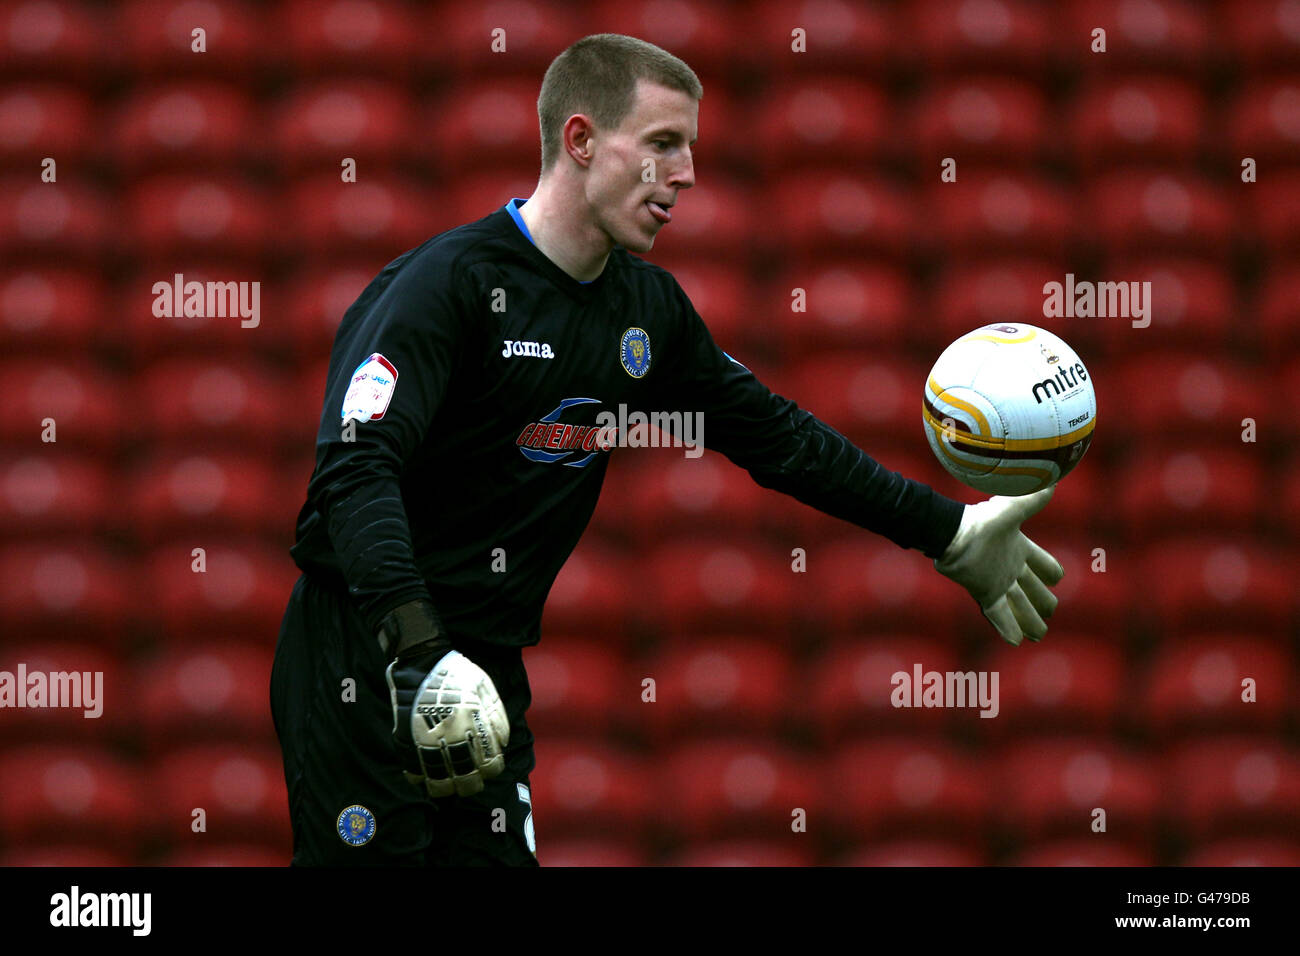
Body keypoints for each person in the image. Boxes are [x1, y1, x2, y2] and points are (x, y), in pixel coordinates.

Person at [270, 33, 1063, 867]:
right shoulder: (448, 286)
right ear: (580, 141)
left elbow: (778, 438)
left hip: (484, 664)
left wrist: (950, 531)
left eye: (690, 149)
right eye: (661, 145)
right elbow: (355, 470)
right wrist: (420, 652)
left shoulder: (648, 311)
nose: (685, 174)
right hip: (367, 650)